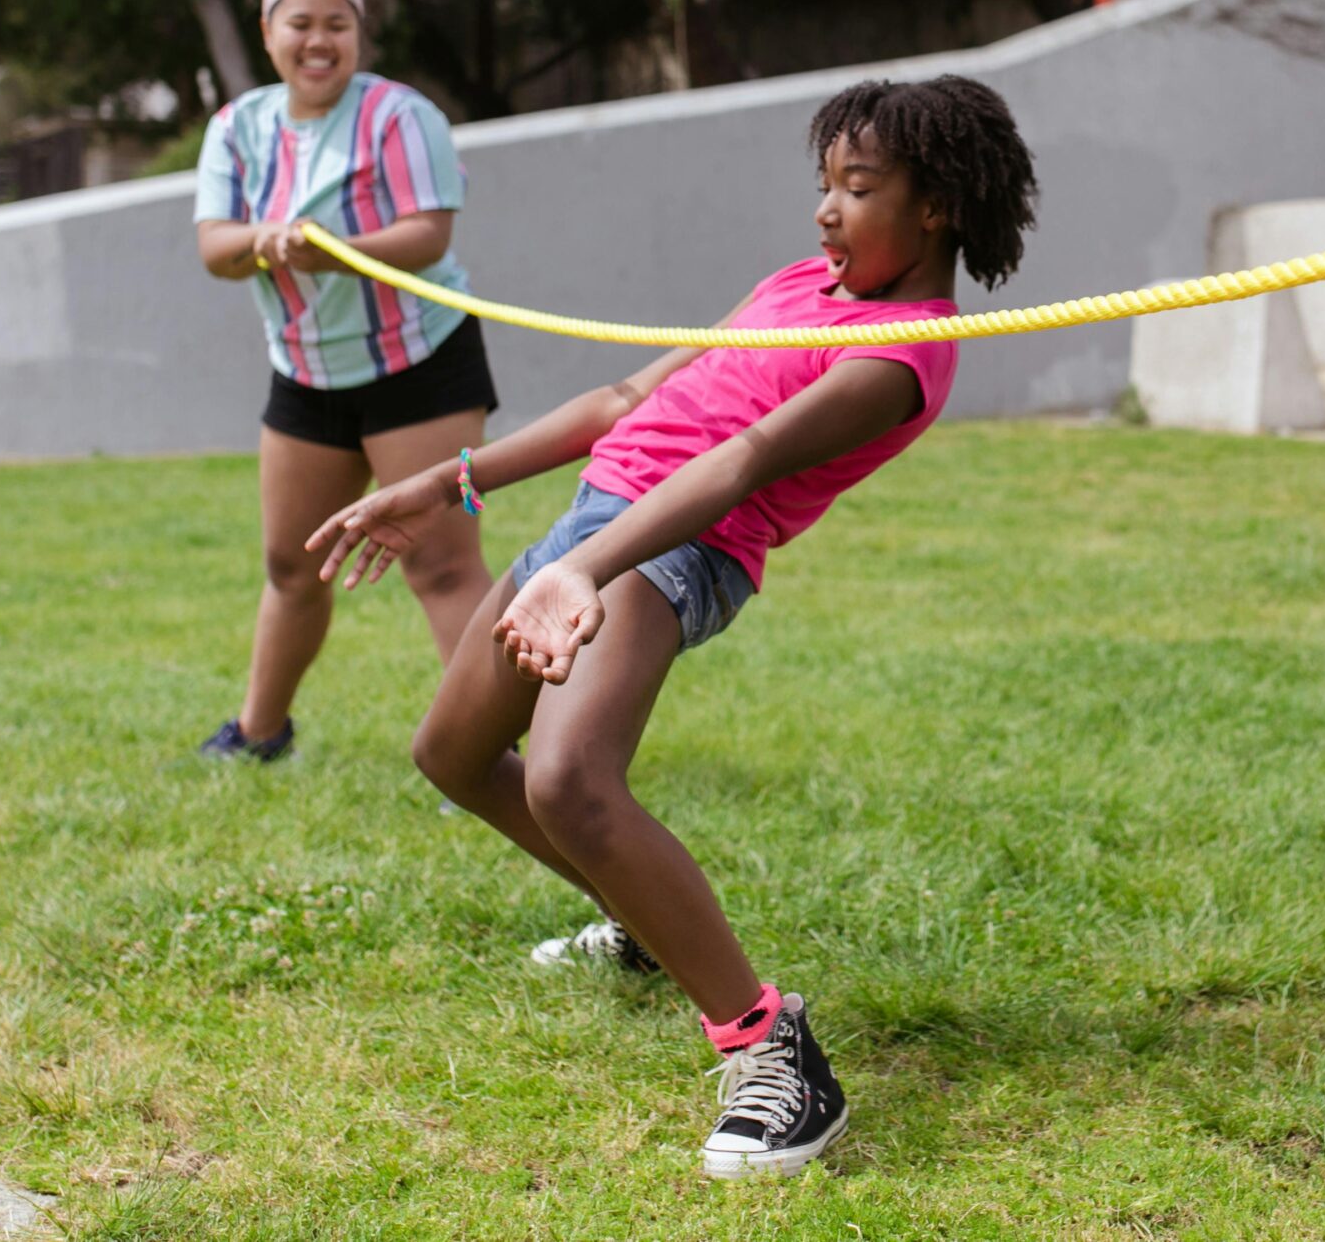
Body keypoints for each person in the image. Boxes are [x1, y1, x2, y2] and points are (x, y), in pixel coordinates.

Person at [306, 75, 1038, 1179]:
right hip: (596, 525)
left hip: (678, 547)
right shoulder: (797, 284)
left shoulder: (904, 353)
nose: (824, 211)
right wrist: (446, 481)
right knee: (452, 753)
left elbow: (741, 460)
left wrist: (588, 569)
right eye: (825, 184)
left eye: (856, 188)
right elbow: (622, 404)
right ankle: (649, 928)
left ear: (935, 207)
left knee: (569, 782)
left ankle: (773, 1050)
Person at [190, 0, 497, 764]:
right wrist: (267, 240)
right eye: (301, 23)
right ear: (268, 34)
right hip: (307, 373)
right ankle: (259, 734)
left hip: (421, 366)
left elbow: (429, 234)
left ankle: (490, 755)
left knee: (441, 565)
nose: (319, 40)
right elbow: (215, 246)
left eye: (338, 24)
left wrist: (336, 250)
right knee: (292, 564)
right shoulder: (237, 127)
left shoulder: (402, 115)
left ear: (359, 34)